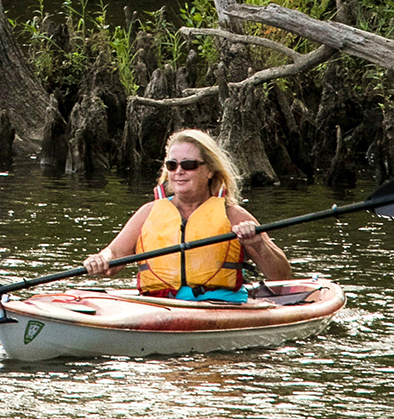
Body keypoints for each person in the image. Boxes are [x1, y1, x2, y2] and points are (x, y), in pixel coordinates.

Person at [82, 128, 293, 299]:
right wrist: (101, 259)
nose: (178, 171)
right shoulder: (148, 212)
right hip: (159, 305)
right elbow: (114, 257)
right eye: (172, 165)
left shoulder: (233, 215)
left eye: (188, 165)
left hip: (219, 305)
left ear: (209, 170)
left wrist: (258, 244)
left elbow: (282, 276)